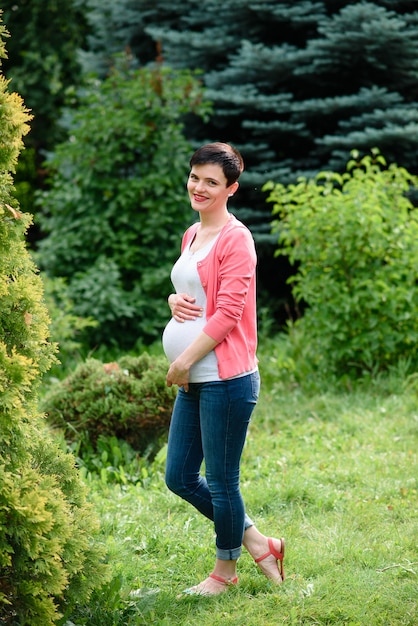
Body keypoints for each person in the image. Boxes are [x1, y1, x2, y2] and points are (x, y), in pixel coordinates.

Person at [162, 142, 285, 596]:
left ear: (230, 188)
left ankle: (224, 572)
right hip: (196, 375)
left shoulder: (237, 239)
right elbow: (194, 293)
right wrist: (174, 301)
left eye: (211, 181)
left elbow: (229, 312)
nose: (199, 187)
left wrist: (182, 360)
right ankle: (258, 541)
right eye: (195, 176)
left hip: (226, 378)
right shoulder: (192, 235)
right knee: (178, 476)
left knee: (220, 481)